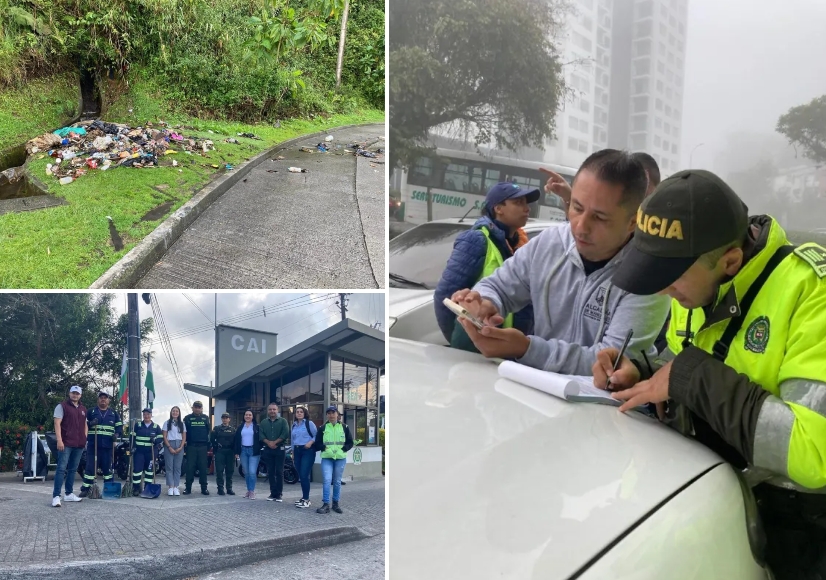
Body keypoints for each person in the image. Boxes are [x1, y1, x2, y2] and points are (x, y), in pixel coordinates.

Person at [591, 169, 826, 580]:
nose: (664, 292)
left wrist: (688, 377)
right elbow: (695, 368)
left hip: (799, 532)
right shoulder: (698, 283)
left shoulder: (810, 289)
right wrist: (647, 373)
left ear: (731, 261)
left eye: (670, 278)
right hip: (707, 499)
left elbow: (815, 452)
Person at [453, 149, 670, 374]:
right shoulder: (550, 243)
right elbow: (498, 285)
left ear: (633, 222)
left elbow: (611, 362)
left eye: (599, 217)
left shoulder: (648, 278)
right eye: (577, 207)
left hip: (601, 406)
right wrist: (485, 302)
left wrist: (527, 349)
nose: (580, 226)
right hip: (533, 391)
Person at [434, 182, 537, 352]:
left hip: (508, 349)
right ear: (498, 208)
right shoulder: (477, 240)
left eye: (527, 203)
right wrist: (461, 340)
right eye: (519, 203)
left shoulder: (521, 246)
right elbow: (444, 297)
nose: (527, 209)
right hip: (478, 351)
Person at [79, 391, 122, 498]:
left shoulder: (114, 413)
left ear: (108, 400)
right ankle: (86, 489)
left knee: (108, 468)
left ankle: (109, 488)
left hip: (108, 446)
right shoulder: (91, 412)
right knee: (90, 468)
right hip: (94, 445)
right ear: (98, 400)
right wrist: (90, 423)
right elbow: (82, 424)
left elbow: (119, 427)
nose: (103, 399)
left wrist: (116, 435)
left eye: (105, 398)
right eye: (101, 398)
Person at [52, 385, 88, 507]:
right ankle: (56, 496)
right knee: (61, 469)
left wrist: (85, 437)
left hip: (79, 444)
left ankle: (69, 494)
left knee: (73, 470)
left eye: (77, 393)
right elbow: (57, 423)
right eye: (73, 393)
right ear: (69, 393)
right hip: (66, 443)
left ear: (80, 395)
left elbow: (85, 425)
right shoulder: (62, 406)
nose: (75, 395)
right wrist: (59, 440)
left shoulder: (83, 409)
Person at [313, 406, 354, 514]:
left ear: (337, 415)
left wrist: (345, 449)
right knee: (327, 480)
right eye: (329, 413)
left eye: (333, 413)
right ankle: (326, 504)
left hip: (340, 458)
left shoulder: (344, 427)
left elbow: (350, 442)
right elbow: (317, 443)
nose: (331, 415)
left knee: (336, 481)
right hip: (327, 458)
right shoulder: (322, 428)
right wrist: (323, 448)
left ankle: (335, 503)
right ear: (327, 415)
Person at [260, 403, 289, 502]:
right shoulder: (263, 422)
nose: (272, 411)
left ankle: (279, 494)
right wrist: (269, 443)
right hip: (268, 450)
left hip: (279, 449)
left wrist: (275, 442)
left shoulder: (283, 421)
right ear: (268, 411)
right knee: (270, 472)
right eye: (270, 409)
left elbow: (285, 433)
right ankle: (273, 493)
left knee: (279, 472)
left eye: (274, 409)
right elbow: (261, 434)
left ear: (277, 410)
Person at [291, 406, 317, 509]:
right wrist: (293, 452)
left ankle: (306, 500)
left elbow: (317, 435)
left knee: (304, 474)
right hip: (297, 450)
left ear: (305, 413)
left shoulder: (309, 423)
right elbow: (293, 440)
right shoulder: (294, 425)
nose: (299, 413)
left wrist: (310, 442)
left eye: (301, 412)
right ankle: (304, 497)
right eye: (297, 412)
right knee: (301, 476)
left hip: (307, 450)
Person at [131, 408, 163, 495]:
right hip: (139, 452)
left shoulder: (156, 426)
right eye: (144, 414)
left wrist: (155, 440)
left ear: (151, 415)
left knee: (149, 470)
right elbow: (132, 437)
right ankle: (136, 488)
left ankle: (147, 488)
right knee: (137, 470)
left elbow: (160, 437)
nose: (146, 416)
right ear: (143, 415)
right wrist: (133, 447)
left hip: (151, 451)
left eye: (148, 414)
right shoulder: (137, 425)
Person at [183, 400, 210, 495]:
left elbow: (208, 432)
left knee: (203, 468)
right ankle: (188, 488)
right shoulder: (187, 418)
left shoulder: (206, 418)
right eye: (196, 407)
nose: (197, 409)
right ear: (193, 408)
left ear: (202, 408)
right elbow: (184, 432)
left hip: (202, 447)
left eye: (199, 407)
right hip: (191, 446)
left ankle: (204, 488)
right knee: (190, 468)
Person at [234, 409, 261, 499]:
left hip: (253, 451)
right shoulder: (241, 427)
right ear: (244, 416)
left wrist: (259, 448)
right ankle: (249, 490)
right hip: (243, 451)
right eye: (246, 415)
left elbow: (260, 439)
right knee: (246, 473)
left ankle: (252, 491)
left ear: (252, 417)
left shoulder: (257, 427)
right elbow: (237, 440)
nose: (248, 416)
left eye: (250, 415)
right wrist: (237, 452)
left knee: (252, 472)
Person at [162, 405, 186, 496]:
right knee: (169, 467)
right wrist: (169, 447)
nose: (175, 412)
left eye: (177, 411)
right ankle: (170, 486)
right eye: (173, 411)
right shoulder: (167, 423)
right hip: (169, 444)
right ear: (171, 412)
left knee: (177, 467)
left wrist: (181, 447)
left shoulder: (182, 424)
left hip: (179, 444)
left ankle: (176, 486)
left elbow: (184, 437)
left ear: (179, 413)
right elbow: (164, 436)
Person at [211, 412, 236, 496]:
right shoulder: (217, 428)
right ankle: (220, 489)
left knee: (230, 471)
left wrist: (235, 452)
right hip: (220, 452)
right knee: (219, 471)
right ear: (222, 419)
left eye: (226, 418)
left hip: (230, 452)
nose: (225, 419)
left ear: (229, 419)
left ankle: (229, 489)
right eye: (223, 418)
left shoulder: (233, 430)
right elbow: (212, 440)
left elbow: (236, 442)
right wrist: (215, 451)